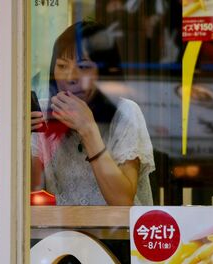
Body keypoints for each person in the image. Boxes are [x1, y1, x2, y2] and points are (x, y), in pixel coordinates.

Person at [30, 21, 155, 206]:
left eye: (84, 67)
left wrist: (88, 129)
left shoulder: (125, 112)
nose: (70, 77)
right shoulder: (43, 115)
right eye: (62, 66)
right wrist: (17, 146)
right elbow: (31, 193)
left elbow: (122, 202)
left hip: (118, 234)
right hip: (59, 234)